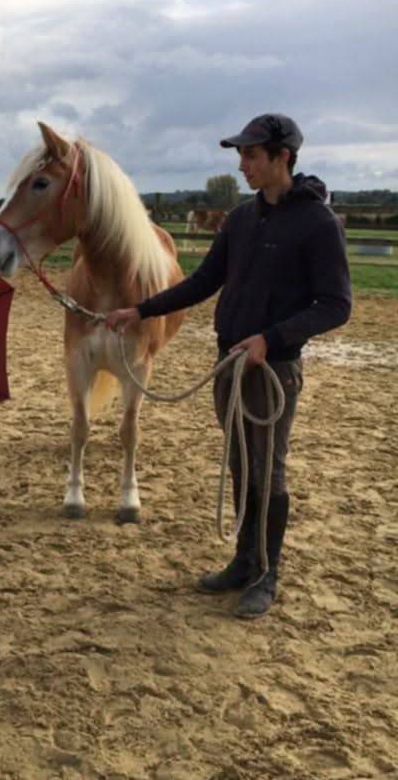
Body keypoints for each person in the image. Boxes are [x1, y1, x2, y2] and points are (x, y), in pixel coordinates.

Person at [106, 114, 351, 618]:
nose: (243, 166)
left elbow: (335, 304)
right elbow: (202, 282)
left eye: (252, 156)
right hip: (230, 364)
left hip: (272, 369)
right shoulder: (242, 218)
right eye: (241, 156)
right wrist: (142, 309)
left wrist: (271, 338)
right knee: (242, 463)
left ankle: (267, 573)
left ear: (282, 157)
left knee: (269, 469)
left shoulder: (317, 224)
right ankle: (244, 560)